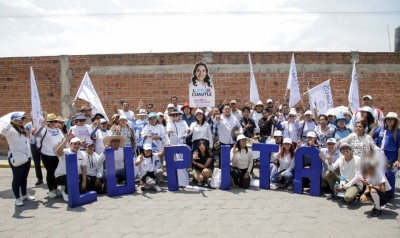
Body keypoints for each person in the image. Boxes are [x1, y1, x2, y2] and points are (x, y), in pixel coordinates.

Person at [1, 113, 35, 206]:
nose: (20, 120)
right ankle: (17, 198)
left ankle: (24, 195)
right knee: (17, 178)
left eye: (21, 119)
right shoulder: (10, 131)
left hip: (26, 157)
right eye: (18, 119)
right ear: (13, 120)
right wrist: (10, 123)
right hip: (16, 158)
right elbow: (3, 131)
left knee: (24, 177)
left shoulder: (23, 130)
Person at [35, 113, 65, 198]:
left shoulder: (58, 130)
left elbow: (62, 139)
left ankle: (55, 188)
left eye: (55, 121)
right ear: (47, 122)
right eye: (51, 122)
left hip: (57, 155)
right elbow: (36, 135)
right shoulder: (44, 130)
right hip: (47, 155)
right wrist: (41, 127)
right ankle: (50, 190)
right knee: (50, 173)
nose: (53, 123)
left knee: (56, 172)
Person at [372, 112, 400, 199]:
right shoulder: (381, 129)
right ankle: (382, 192)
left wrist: (398, 160)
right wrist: (374, 128)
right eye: (388, 119)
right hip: (381, 154)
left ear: (395, 121)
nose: (389, 120)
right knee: (380, 174)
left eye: (392, 119)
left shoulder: (398, 132)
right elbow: (370, 137)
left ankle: (390, 194)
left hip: (392, 155)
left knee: (389, 174)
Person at [55, 135, 87, 202]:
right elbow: (58, 151)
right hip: (62, 176)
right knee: (75, 182)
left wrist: (84, 182)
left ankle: (68, 189)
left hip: (75, 176)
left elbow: (83, 168)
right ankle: (65, 191)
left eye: (78, 144)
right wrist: (66, 139)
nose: (77, 145)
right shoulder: (65, 151)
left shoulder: (81, 154)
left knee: (86, 182)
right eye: (75, 144)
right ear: (70, 144)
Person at [24, 111, 47, 185]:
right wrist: (29, 133)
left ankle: (50, 177)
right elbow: (24, 132)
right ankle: (39, 178)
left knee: (46, 162)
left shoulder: (44, 124)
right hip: (33, 145)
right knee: (37, 163)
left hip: (43, 145)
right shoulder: (29, 125)